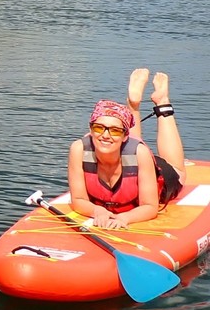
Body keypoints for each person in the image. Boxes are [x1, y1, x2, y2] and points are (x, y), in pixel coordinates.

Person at [67, 68, 186, 230]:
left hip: (151, 171)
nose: (105, 135)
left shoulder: (140, 152)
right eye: (99, 128)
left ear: (125, 135)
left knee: (178, 172)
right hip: (127, 157)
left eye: (114, 130)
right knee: (125, 147)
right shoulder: (78, 149)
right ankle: (133, 104)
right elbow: (78, 199)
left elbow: (150, 207)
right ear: (90, 129)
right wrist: (97, 210)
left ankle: (162, 102)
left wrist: (124, 218)